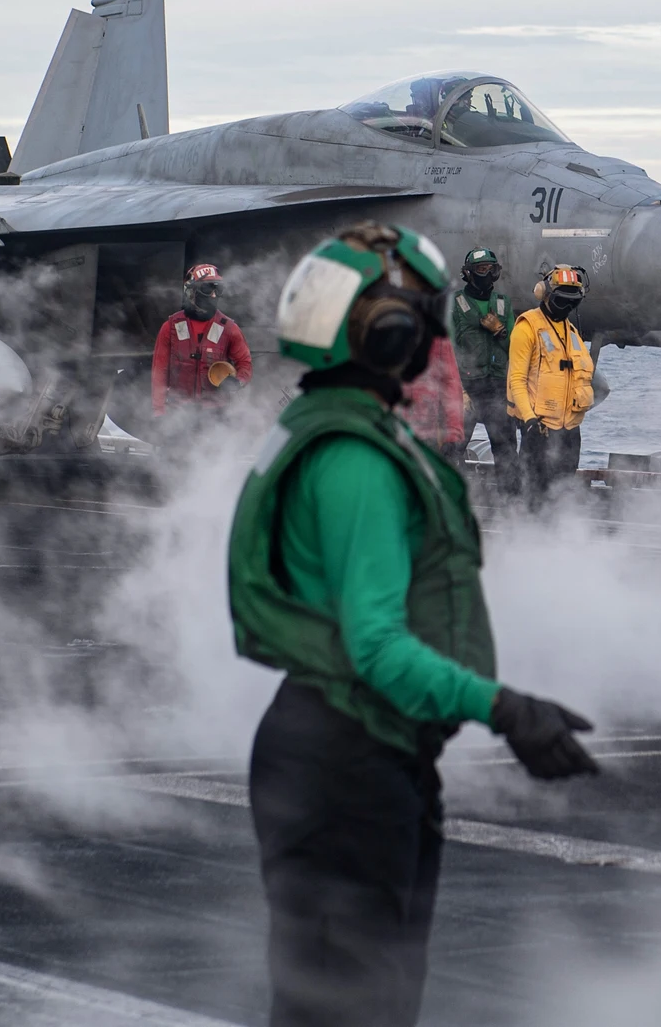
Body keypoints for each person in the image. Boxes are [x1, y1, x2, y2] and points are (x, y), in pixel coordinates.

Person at [228, 222, 599, 1027]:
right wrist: (504, 709)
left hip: (350, 754)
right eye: (418, 314)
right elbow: (375, 645)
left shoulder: (331, 424)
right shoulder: (356, 460)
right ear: (385, 329)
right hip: (348, 765)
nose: (433, 330)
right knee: (354, 1006)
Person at [506, 265, 595, 501]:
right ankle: (529, 534)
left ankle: (558, 535)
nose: (566, 308)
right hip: (540, 428)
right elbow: (517, 380)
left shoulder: (572, 332)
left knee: (562, 495)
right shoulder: (527, 328)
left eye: (571, 303)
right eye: (561, 301)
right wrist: (530, 421)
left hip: (569, 431)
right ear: (544, 294)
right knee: (534, 496)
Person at [450, 248, 521, 487]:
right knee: (452, 448)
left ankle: (512, 508)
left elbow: (516, 345)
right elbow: (446, 347)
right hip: (467, 388)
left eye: (492, 269)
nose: (487, 274)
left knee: (506, 449)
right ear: (468, 273)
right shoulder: (455, 304)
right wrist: (457, 389)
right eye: (482, 269)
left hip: (497, 388)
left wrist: (500, 331)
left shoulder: (503, 304)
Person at [152, 263, 253, 415]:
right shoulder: (170, 328)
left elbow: (245, 363)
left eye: (217, 289)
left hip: (214, 416)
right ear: (191, 292)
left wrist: (238, 381)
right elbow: (159, 373)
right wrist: (159, 411)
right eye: (207, 289)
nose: (213, 295)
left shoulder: (229, 329)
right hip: (178, 415)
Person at [399, 335, 466, 466]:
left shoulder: (437, 336)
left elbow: (450, 384)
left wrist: (452, 432)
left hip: (428, 431)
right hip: (393, 426)